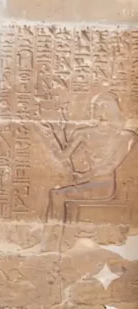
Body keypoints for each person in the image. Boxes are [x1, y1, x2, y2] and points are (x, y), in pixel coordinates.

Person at [35, 92, 137, 251]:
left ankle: (52, 244)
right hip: (88, 182)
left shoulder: (126, 136)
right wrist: (53, 135)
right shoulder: (83, 133)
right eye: (95, 107)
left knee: (58, 195)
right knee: (56, 194)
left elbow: (109, 166)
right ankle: (50, 241)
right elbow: (62, 157)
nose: (96, 110)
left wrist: (83, 176)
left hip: (103, 186)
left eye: (100, 107)